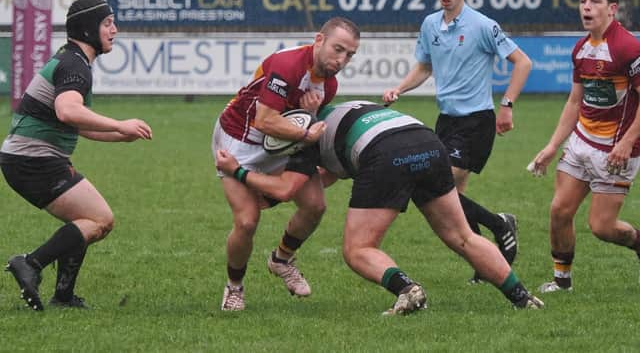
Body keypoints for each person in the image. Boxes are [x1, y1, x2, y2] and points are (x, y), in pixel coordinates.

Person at [216, 100, 544, 313]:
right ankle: (522, 298)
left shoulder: (305, 141)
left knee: (358, 249)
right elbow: (323, 178)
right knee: (461, 236)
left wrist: (239, 172)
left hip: (386, 154)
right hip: (427, 141)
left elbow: (289, 188)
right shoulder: (343, 110)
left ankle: (408, 290)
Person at [382, 0, 532, 283]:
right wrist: (400, 88)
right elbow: (424, 67)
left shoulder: (482, 25)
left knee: (436, 185)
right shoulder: (430, 25)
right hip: (446, 122)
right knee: (453, 206)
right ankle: (484, 264)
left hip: (476, 121)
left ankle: (498, 223)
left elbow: (522, 63)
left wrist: (507, 105)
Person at [1, 0, 153, 311]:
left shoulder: (73, 60)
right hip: (33, 160)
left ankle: (64, 296)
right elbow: (68, 111)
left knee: (87, 219)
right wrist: (120, 123)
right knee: (100, 220)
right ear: (87, 28)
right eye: (107, 23)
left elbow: (76, 125)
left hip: (28, 159)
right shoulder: (75, 65)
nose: (115, 30)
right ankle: (30, 263)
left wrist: (119, 135)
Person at [212, 17, 360, 311]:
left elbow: (296, 121)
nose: (341, 60)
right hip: (238, 141)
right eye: (337, 49)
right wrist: (307, 132)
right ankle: (234, 287)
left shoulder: (329, 84)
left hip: (282, 143)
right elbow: (264, 120)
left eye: (350, 54)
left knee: (315, 205)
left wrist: (310, 116)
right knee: (246, 221)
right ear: (319, 40)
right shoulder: (288, 65)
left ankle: (281, 259)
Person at [529, 0, 640, 293]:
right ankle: (562, 282)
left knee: (602, 228)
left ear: (612, 9)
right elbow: (575, 102)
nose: (587, 7)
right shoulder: (580, 49)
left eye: (595, 1)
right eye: (582, 1)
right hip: (581, 142)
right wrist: (552, 146)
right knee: (559, 211)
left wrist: (628, 142)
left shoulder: (628, 48)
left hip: (616, 151)